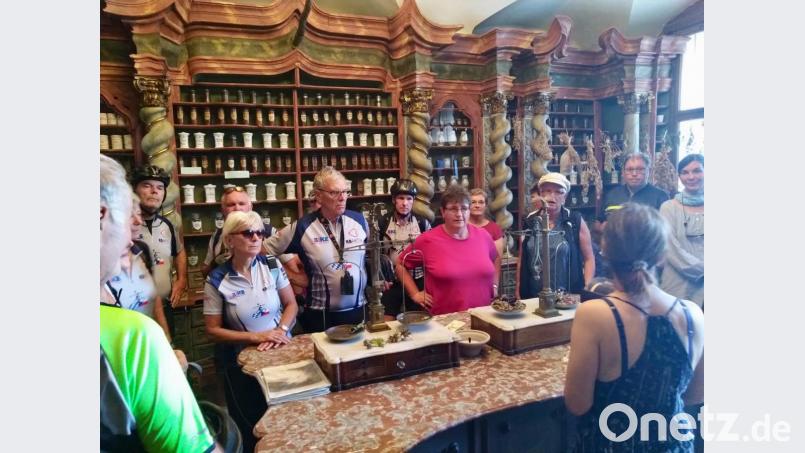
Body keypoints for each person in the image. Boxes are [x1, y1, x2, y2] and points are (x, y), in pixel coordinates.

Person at [100, 155, 217, 452]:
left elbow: (169, 270)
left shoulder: (162, 230)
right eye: (128, 214)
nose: (135, 223)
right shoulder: (132, 335)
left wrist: (178, 283)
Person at [564, 203, 704, 451]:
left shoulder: (595, 314)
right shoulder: (693, 314)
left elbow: (578, 404)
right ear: (662, 256)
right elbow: (694, 395)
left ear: (605, 251)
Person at [204, 210, 298, 451]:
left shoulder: (272, 264)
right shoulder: (217, 279)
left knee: (286, 420)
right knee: (251, 424)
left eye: (260, 233)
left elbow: (291, 304)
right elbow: (212, 330)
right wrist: (256, 337)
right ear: (229, 240)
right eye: (248, 233)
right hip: (242, 365)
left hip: (280, 354)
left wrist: (281, 330)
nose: (256, 238)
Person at [263, 166, 369, 332]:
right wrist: (286, 276)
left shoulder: (360, 220)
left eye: (345, 191)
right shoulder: (302, 226)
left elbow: (367, 256)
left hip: (359, 310)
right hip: (321, 315)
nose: (342, 198)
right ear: (318, 195)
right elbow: (263, 252)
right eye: (334, 193)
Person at [397, 184, 498, 315]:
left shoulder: (483, 235)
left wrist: (495, 285)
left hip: (483, 316)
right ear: (443, 212)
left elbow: (496, 258)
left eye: (464, 208)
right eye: (453, 209)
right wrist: (415, 293)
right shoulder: (428, 240)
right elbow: (400, 264)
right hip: (445, 319)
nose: (459, 214)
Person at [202, 185, 309, 298]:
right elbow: (205, 272)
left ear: (250, 207)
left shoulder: (267, 232)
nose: (237, 208)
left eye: (241, 204)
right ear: (223, 209)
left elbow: (294, 273)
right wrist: (215, 263)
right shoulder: (217, 235)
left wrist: (272, 266)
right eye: (231, 205)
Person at [517, 173, 595, 299]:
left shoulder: (574, 221)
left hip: (567, 297)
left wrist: (585, 287)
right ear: (541, 194)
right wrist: (518, 288)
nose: (552, 196)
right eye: (547, 191)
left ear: (565, 197)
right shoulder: (530, 221)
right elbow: (523, 257)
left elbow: (589, 258)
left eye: (558, 192)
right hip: (533, 295)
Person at [130, 165, 187, 330]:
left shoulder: (166, 225)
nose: (154, 191)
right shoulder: (125, 226)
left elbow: (180, 251)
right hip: (136, 309)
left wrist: (181, 280)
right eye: (147, 186)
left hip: (165, 304)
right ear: (134, 191)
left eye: (160, 187)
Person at [377, 179, 431, 319]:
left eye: (409, 199)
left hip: (417, 279)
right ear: (394, 200)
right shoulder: (382, 222)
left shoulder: (423, 223)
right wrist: (379, 277)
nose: (404, 203)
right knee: (387, 323)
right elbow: (374, 254)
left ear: (413, 201)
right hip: (391, 280)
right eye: (401, 198)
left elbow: (431, 254)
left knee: (419, 320)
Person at [660, 154, 704, 308]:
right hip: (678, 285)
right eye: (685, 172)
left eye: (697, 171)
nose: (691, 177)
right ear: (679, 177)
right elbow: (670, 249)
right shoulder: (668, 207)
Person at [598, 152, 669, 223]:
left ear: (649, 171)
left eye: (640, 169)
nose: (634, 174)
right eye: (629, 169)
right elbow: (598, 224)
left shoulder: (660, 197)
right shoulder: (612, 195)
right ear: (623, 172)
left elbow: (666, 229)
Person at [468, 188, 504, 276]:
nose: (477, 205)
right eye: (473, 202)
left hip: (487, 276)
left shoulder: (494, 229)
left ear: (486, 205)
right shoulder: (461, 227)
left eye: (481, 202)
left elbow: (497, 260)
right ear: (468, 205)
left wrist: (495, 285)